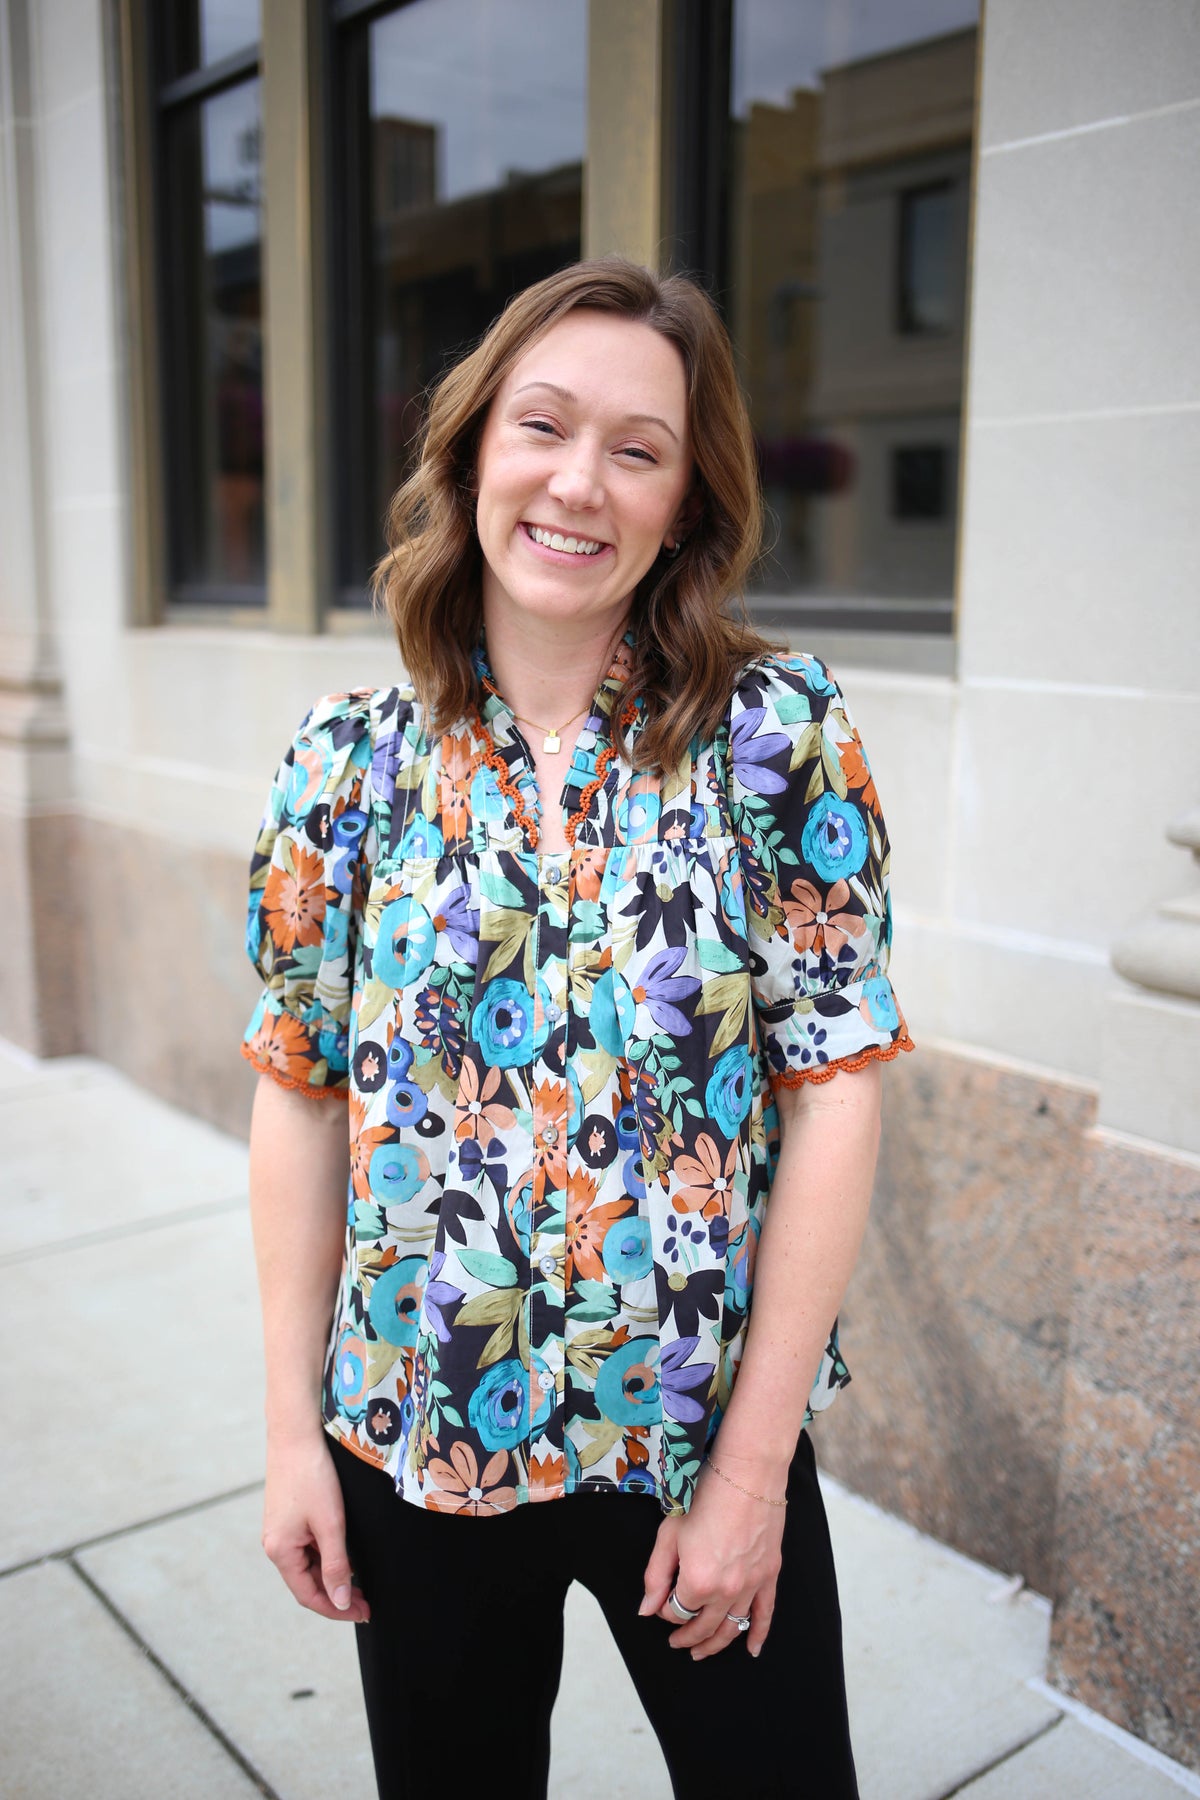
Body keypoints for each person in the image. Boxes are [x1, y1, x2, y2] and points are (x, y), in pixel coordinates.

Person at [241, 257, 913, 1800]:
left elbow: (838, 1096)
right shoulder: (342, 765)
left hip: (693, 1437)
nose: (579, 484)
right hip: (415, 1439)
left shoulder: (775, 734)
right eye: (542, 426)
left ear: (685, 500)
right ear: (474, 448)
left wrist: (751, 1482)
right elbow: (297, 1098)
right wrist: (295, 1438)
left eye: (640, 448)